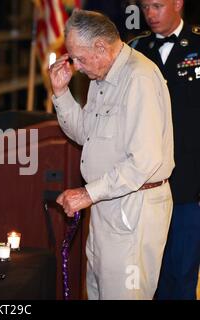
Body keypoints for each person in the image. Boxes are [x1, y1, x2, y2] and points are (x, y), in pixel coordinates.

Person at [49, 10, 175, 299]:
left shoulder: (139, 78)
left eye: (79, 58)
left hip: (135, 206)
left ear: (101, 47)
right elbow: (86, 134)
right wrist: (61, 93)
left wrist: (88, 193)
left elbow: (145, 160)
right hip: (108, 203)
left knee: (124, 294)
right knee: (99, 291)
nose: (76, 67)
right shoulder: (102, 76)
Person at [129, 0, 200, 300]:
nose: (150, 14)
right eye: (145, 7)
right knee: (145, 278)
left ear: (178, 3)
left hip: (188, 184)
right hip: (144, 184)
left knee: (182, 275)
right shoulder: (134, 51)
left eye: (158, 5)